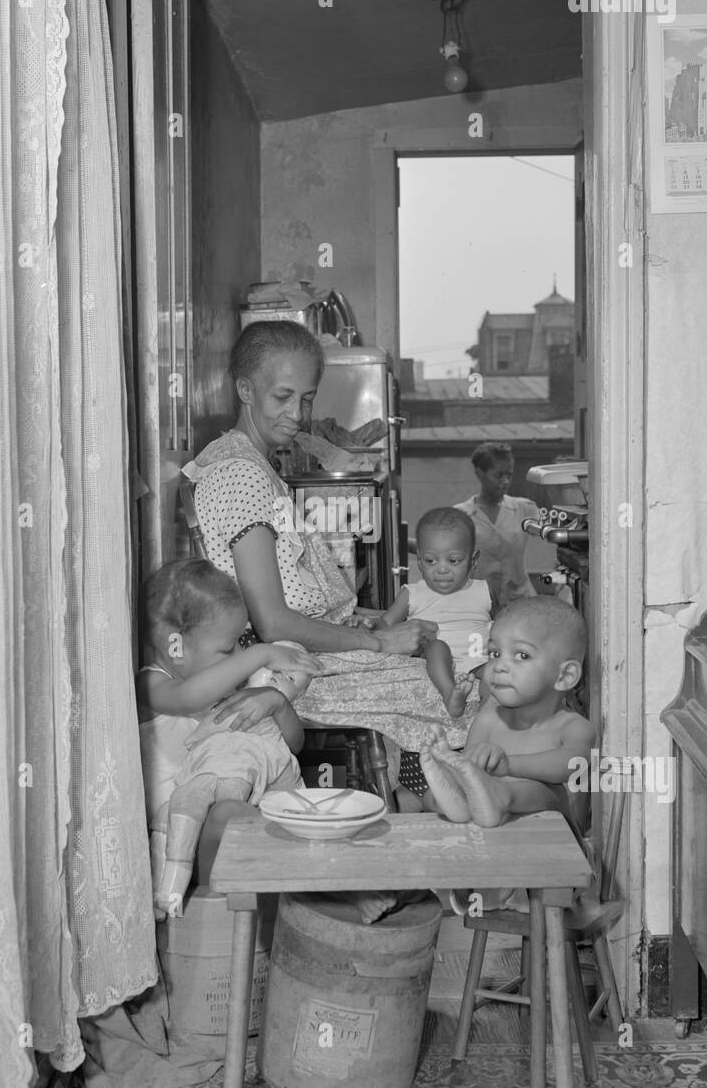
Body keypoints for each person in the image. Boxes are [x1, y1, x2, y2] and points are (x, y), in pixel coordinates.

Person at [183, 321, 481, 776]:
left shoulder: (256, 466)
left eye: (306, 398)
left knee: (454, 657)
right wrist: (378, 641)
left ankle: (425, 800)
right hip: (294, 670)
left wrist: (373, 625)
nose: (297, 414)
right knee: (469, 690)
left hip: (314, 652)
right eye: (282, 397)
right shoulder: (239, 475)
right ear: (245, 389)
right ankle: (449, 810)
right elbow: (271, 620)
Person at [136, 559, 321, 919]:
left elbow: (289, 749)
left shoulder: (224, 686)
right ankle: (324, 896)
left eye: (242, 643)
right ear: (176, 646)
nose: (238, 657)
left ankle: (337, 888)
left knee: (302, 810)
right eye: (229, 648)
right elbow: (189, 697)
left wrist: (277, 704)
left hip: (240, 817)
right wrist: (261, 653)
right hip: (182, 840)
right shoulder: (150, 685)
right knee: (233, 817)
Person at [418, 596, 596, 908]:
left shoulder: (573, 727)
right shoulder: (488, 718)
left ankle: (498, 799)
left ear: (564, 676)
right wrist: (458, 770)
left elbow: (572, 764)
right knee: (456, 788)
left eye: (522, 655)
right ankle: (455, 804)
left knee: (539, 791)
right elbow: (473, 771)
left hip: (558, 859)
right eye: (495, 653)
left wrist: (507, 766)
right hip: (493, 849)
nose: (499, 665)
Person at [377, 506, 495, 718]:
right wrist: (367, 625)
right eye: (431, 561)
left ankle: (489, 715)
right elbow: (385, 625)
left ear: (473, 560)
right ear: (420, 561)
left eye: (453, 560)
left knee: (494, 673)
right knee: (437, 646)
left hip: (478, 658)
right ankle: (450, 694)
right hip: (435, 661)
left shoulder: (483, 590)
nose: (442, 569)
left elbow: (506, 624)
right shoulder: (412, 594)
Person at [453, 443, 540, 609]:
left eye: (509, 475)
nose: (505, 481)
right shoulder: (460, 516)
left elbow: (551, 532)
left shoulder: (524, 509)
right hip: (477, 606)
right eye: (498, 475)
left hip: (519, 605)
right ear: (480, 473)